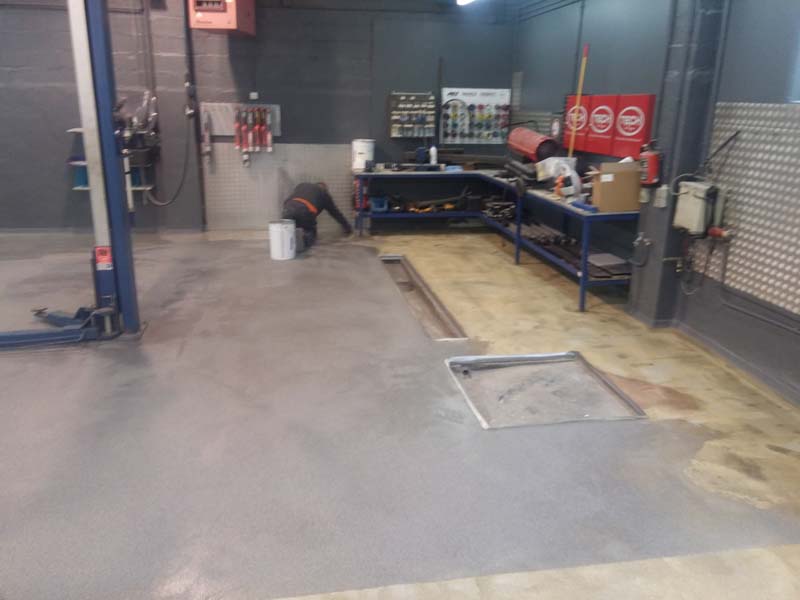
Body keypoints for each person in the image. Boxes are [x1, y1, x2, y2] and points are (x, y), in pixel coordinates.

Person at [282, 182, 352, 249]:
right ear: (325, 189)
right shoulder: (324, 194)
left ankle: (286, 245)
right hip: (305, 211)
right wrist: (348, 229)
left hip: (288, 207)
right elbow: (336, 214)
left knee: (286, 231)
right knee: (310, 233)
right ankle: (302, 243)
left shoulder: (303, 185)